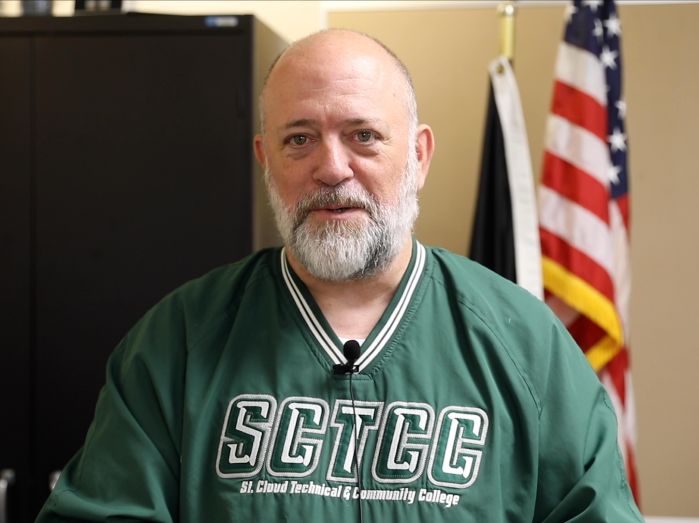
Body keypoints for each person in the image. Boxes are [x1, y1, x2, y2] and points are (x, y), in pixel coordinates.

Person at [37, 29, 643, 522]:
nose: (332, 168)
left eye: (364, 136)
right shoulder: (177, 343)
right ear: (265, 159)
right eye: (299, 138)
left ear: (419, 155)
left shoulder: (526, 346)